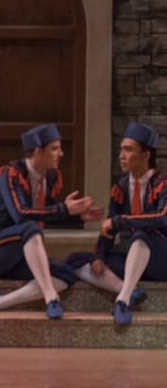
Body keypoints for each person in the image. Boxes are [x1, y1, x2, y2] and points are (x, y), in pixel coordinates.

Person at [0, 123, 104, 318]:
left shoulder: (49, 177)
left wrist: (74, 217)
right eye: (55, 149)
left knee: (66, 275)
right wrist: (63, 209)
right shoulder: (12, 173)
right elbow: (21, 214)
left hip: (22, 256)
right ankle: (51, 298)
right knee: (30, 228)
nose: (61, 154)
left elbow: (44, 215)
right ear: (39, 152)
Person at [69, 122, 163, 326]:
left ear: (146, 155)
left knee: (141, 234)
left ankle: (122, 299)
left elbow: (162, 218)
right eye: (121, 149)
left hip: (161, 260)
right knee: (78, 260)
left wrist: (120, 221)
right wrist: (99, 256)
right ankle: (130, 289)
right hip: (136, 262)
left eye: (128, 150)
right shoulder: (120, 188)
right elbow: (109, 229)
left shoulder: (162, 184)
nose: (121, 155)